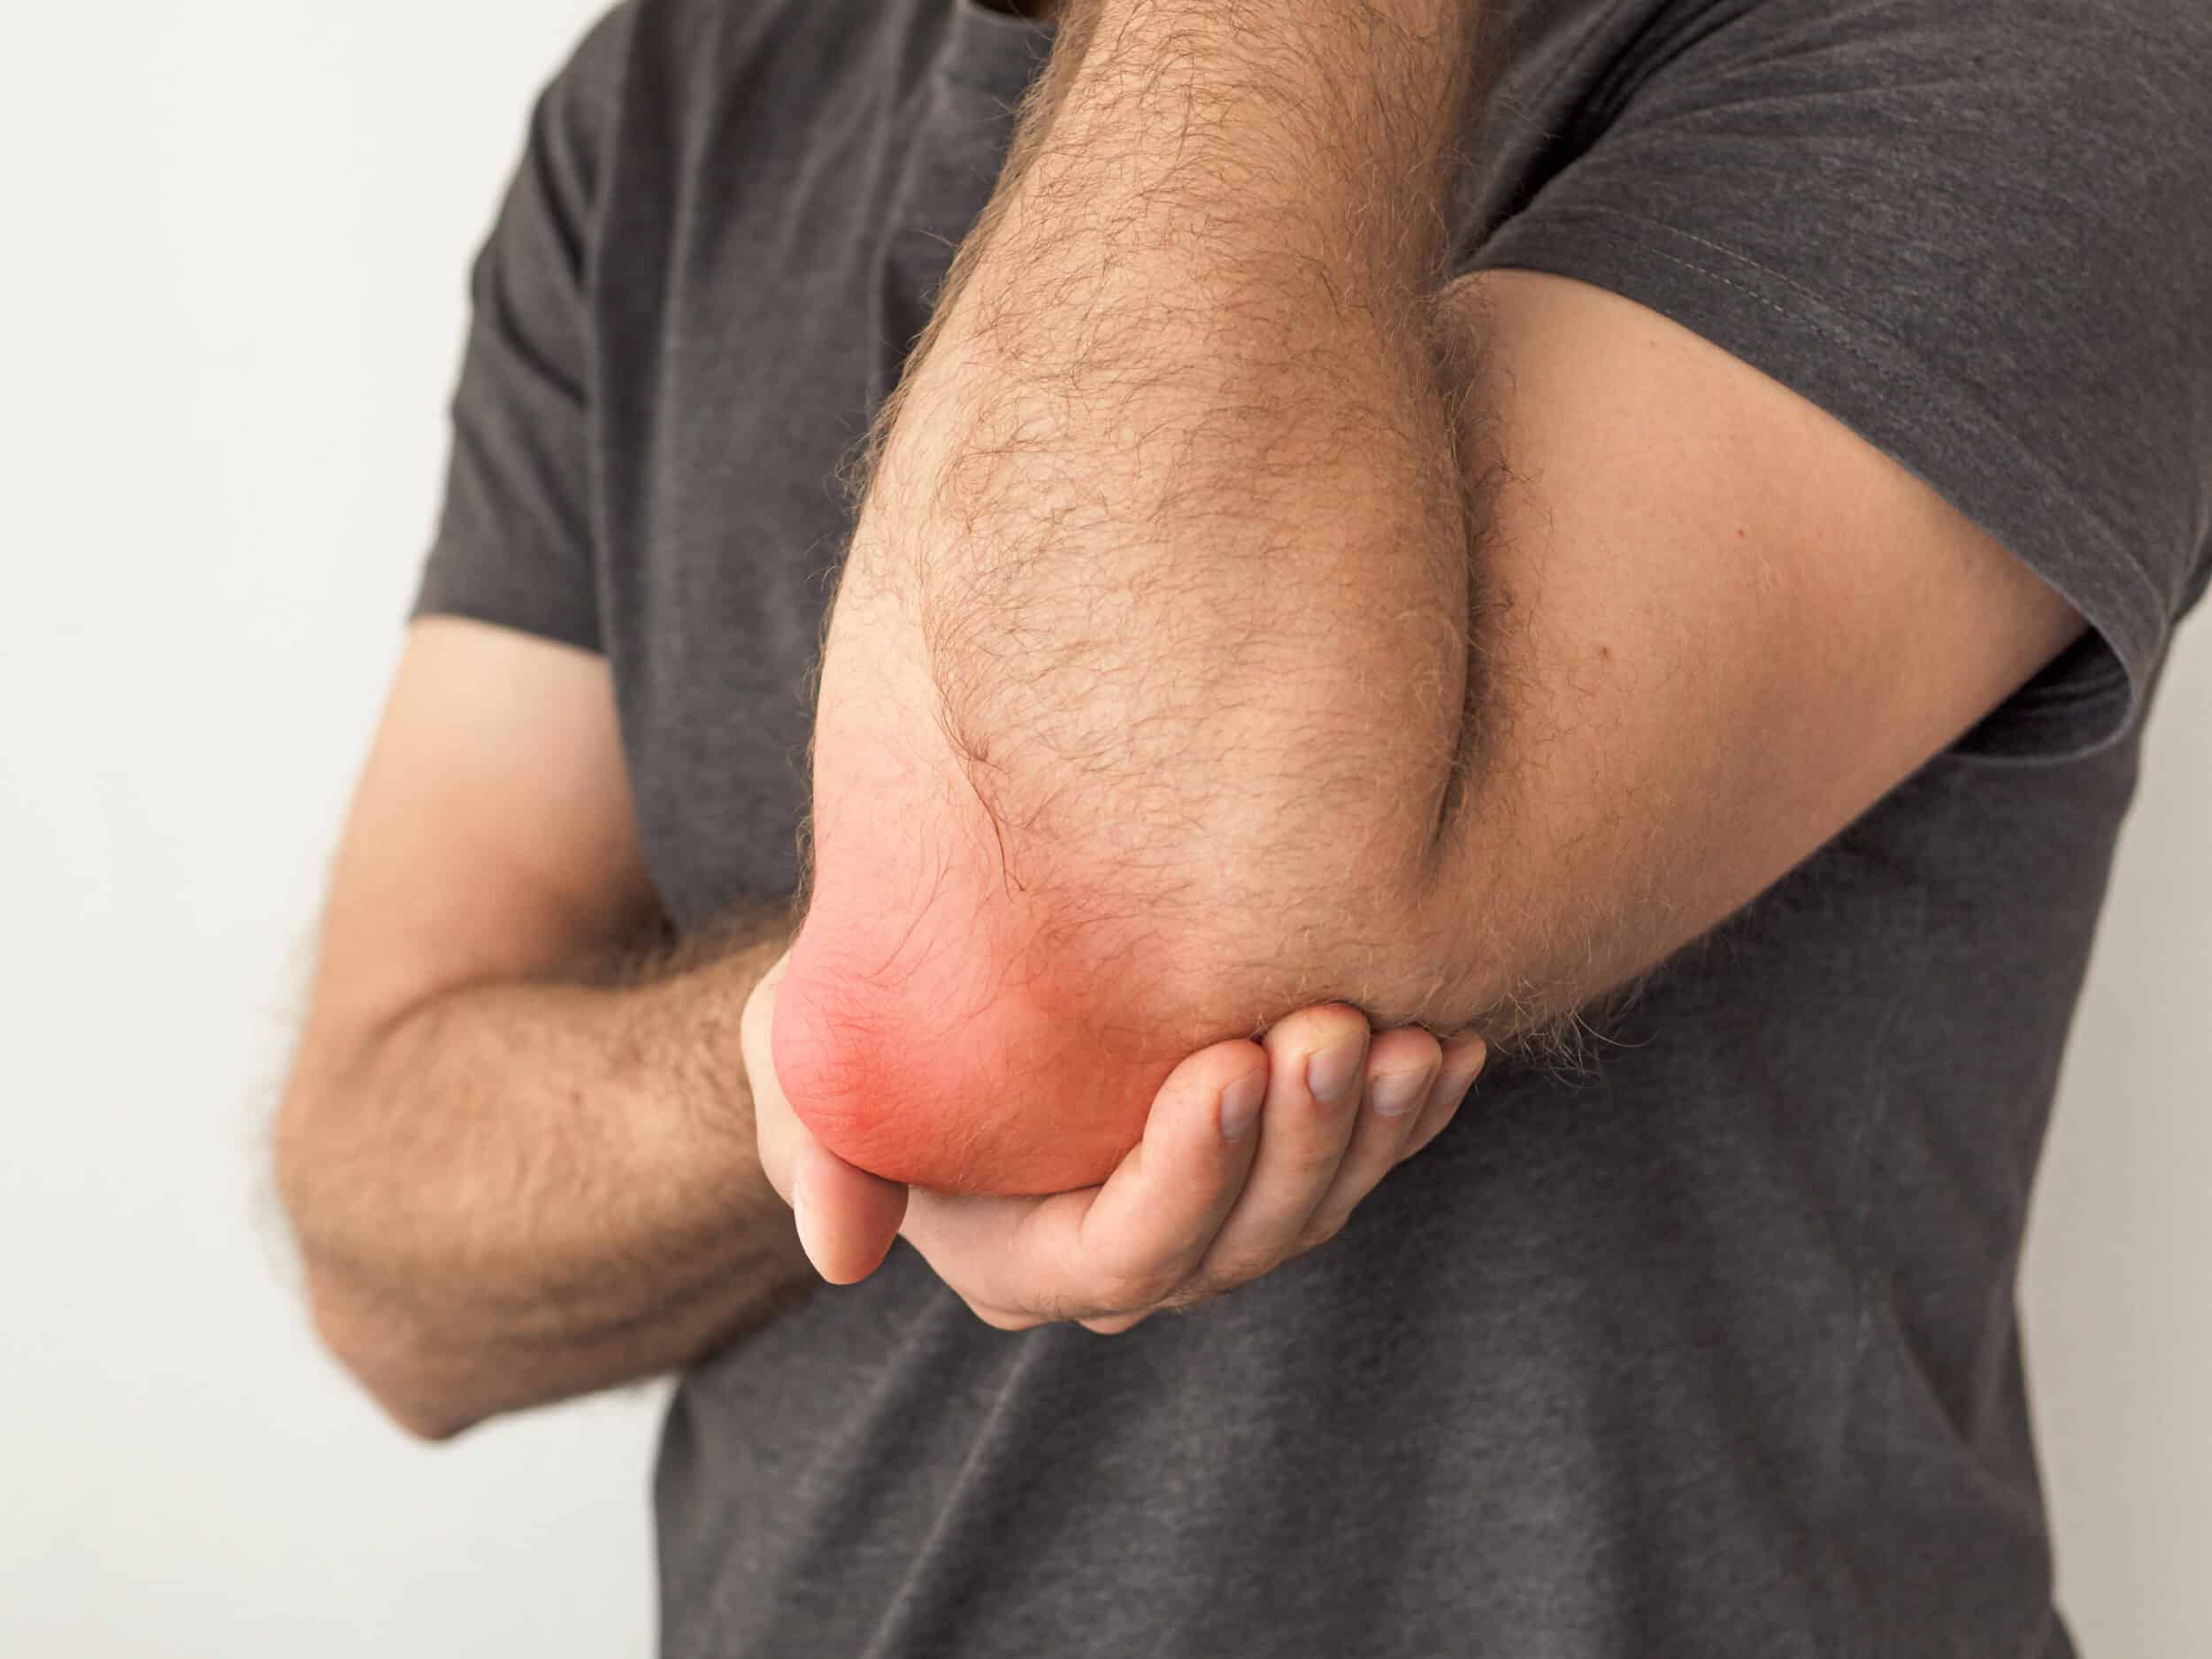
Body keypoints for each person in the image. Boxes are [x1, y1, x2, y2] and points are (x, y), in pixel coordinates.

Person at [272, 0, 2211, 1652]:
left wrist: (955, 1016)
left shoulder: (2010, 35)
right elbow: (390, 1253)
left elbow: (1119, 899)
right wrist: (816, 1058)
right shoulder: (684, 85)